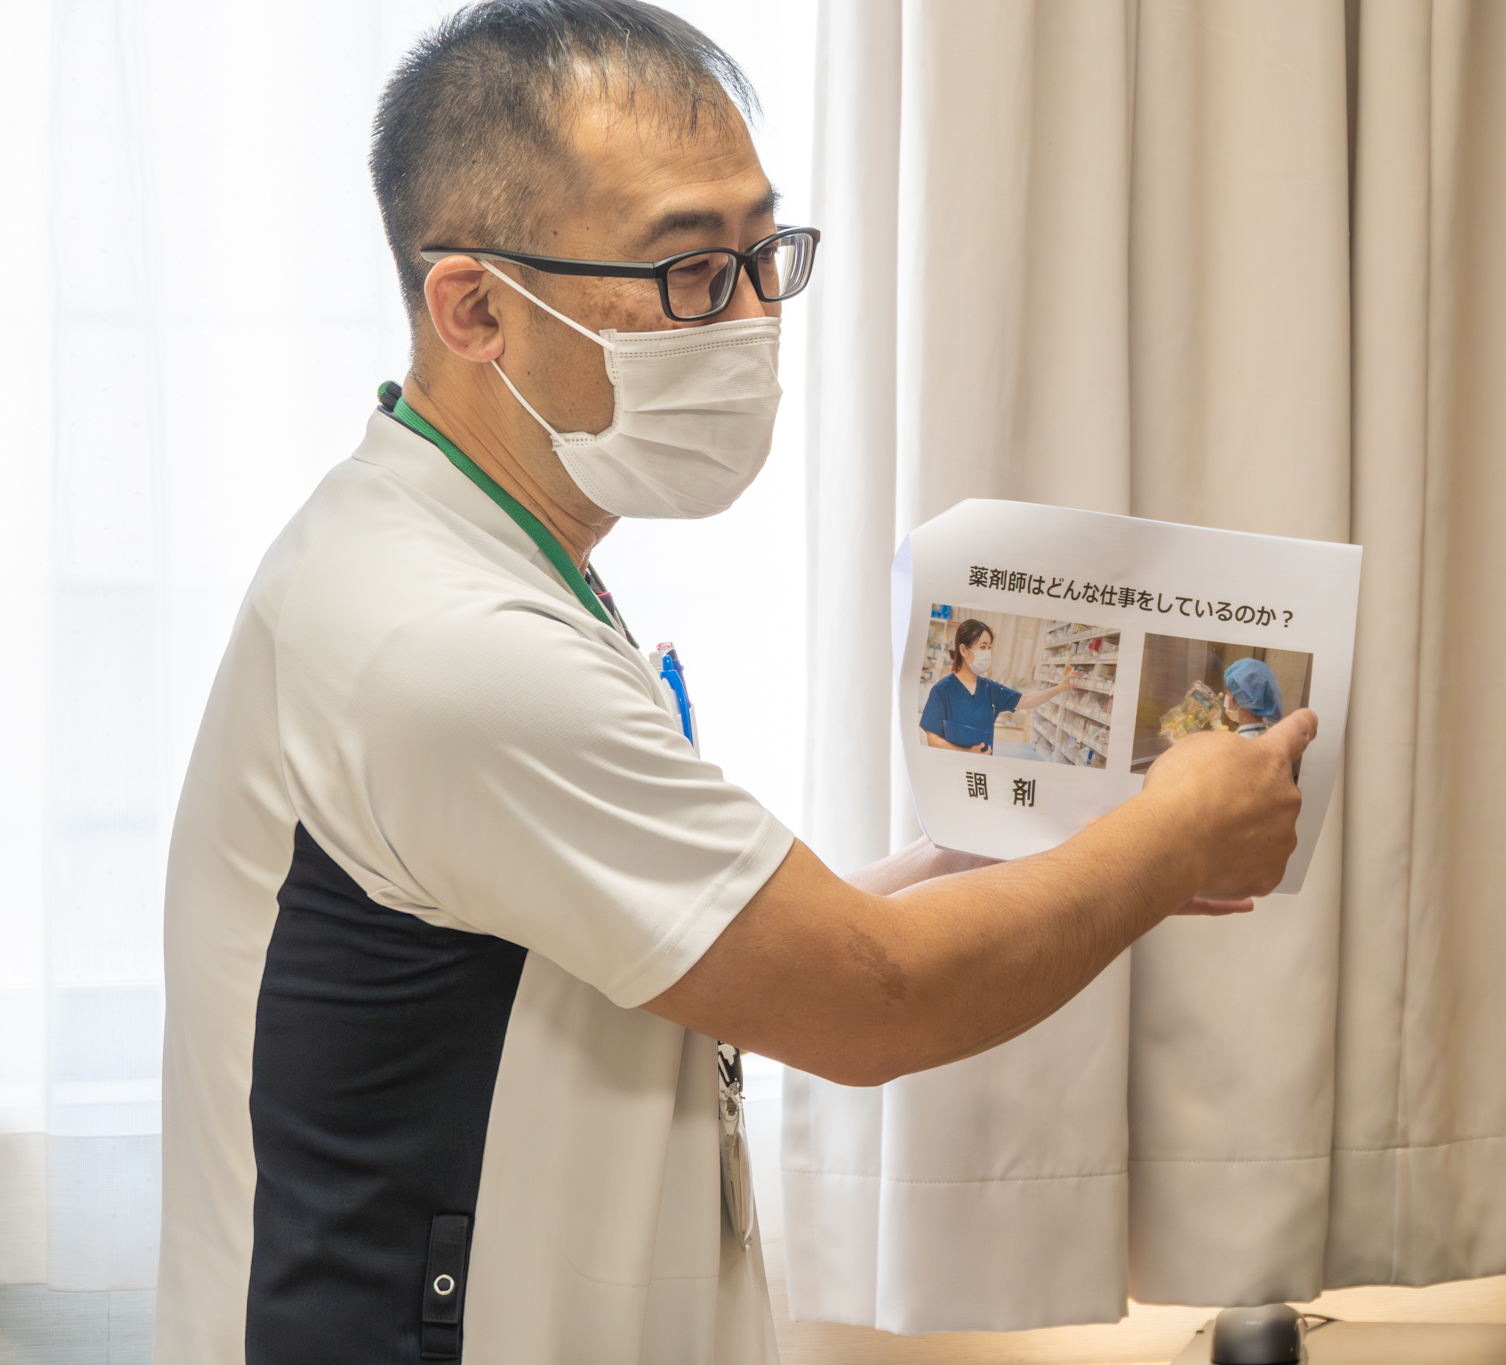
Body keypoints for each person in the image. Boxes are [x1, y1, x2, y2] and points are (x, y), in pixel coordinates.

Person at [153, 4, 1315, 1363]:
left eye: (766, 257)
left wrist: (991, 852)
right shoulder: (443, 641)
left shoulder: (471, 550)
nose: (755, 319)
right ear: (475, 308)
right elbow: (872, 1001)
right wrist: (1166, 840)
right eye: (693, 272)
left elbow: (701, 943)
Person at [919, 617, 1075, 753]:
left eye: (989, 647)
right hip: (951, 769)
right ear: (963, 650)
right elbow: (933, 740)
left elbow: (1027, 700)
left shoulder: (990, 690)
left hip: (982, 769)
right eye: (982, 647)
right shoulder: (942, 690)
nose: (987, 653)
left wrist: (1060, 687)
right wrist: (967, 753)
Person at [1221, 657, 1286, 737]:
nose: (1227, 697)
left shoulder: (1236, 742)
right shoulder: (1272, 737)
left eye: (1227, 693)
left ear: (1234, 698)